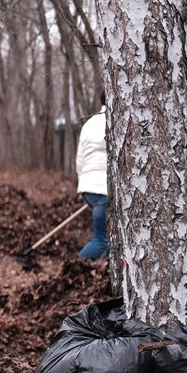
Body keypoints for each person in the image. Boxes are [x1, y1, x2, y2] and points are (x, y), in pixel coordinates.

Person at [75, 105, 108, 260]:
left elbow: (79, 161)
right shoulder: (115, 120)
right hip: (102, 189)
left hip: (88, 189)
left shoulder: (89, 123)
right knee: (102, 240)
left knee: (111, 238)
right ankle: (74, 268)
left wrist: (86, 185)